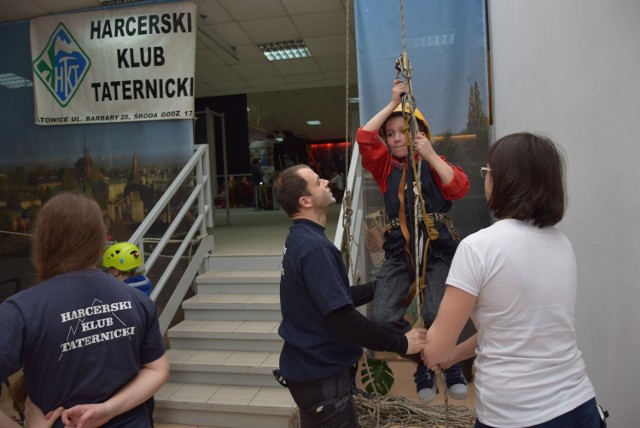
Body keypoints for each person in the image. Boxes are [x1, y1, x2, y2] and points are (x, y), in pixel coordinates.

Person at [421, 133, 603, 427]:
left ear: (505, 180)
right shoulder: (561, 242)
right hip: (580, 405)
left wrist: (430, 349)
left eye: (488, 171)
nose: (486, 179)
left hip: (516, 415)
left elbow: (436, 348)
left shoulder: (478, 247)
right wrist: (454, 355)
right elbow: (507, 326)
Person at [274, 164, 426, 428]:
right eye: (317, 181)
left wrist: (381, 287)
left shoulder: (299, 239)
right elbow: (343, 318)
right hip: (323, 380)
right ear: (305, 201)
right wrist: (401, 343)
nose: (326, 181)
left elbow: (333, 298)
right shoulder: (315, 249)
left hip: (309, 373)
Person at [0, 192, 169, 427]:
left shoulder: (21, 310)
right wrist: (108, 410)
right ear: (100, 241)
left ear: (42, 242)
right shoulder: (137, 299)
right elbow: (157, 369)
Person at [356, 78, 470, 403]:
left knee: (437, 311)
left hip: (438, 249)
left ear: (418, 133)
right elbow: (365, 137)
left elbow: (458, 187)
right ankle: (422, 361)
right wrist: (393, 103)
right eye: (390, 135)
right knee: (379, 317)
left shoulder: (434, 164)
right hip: (399, 251)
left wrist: (430, 154)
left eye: (401, 131)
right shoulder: (384, 168)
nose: (394, 139)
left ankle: (447, 364)